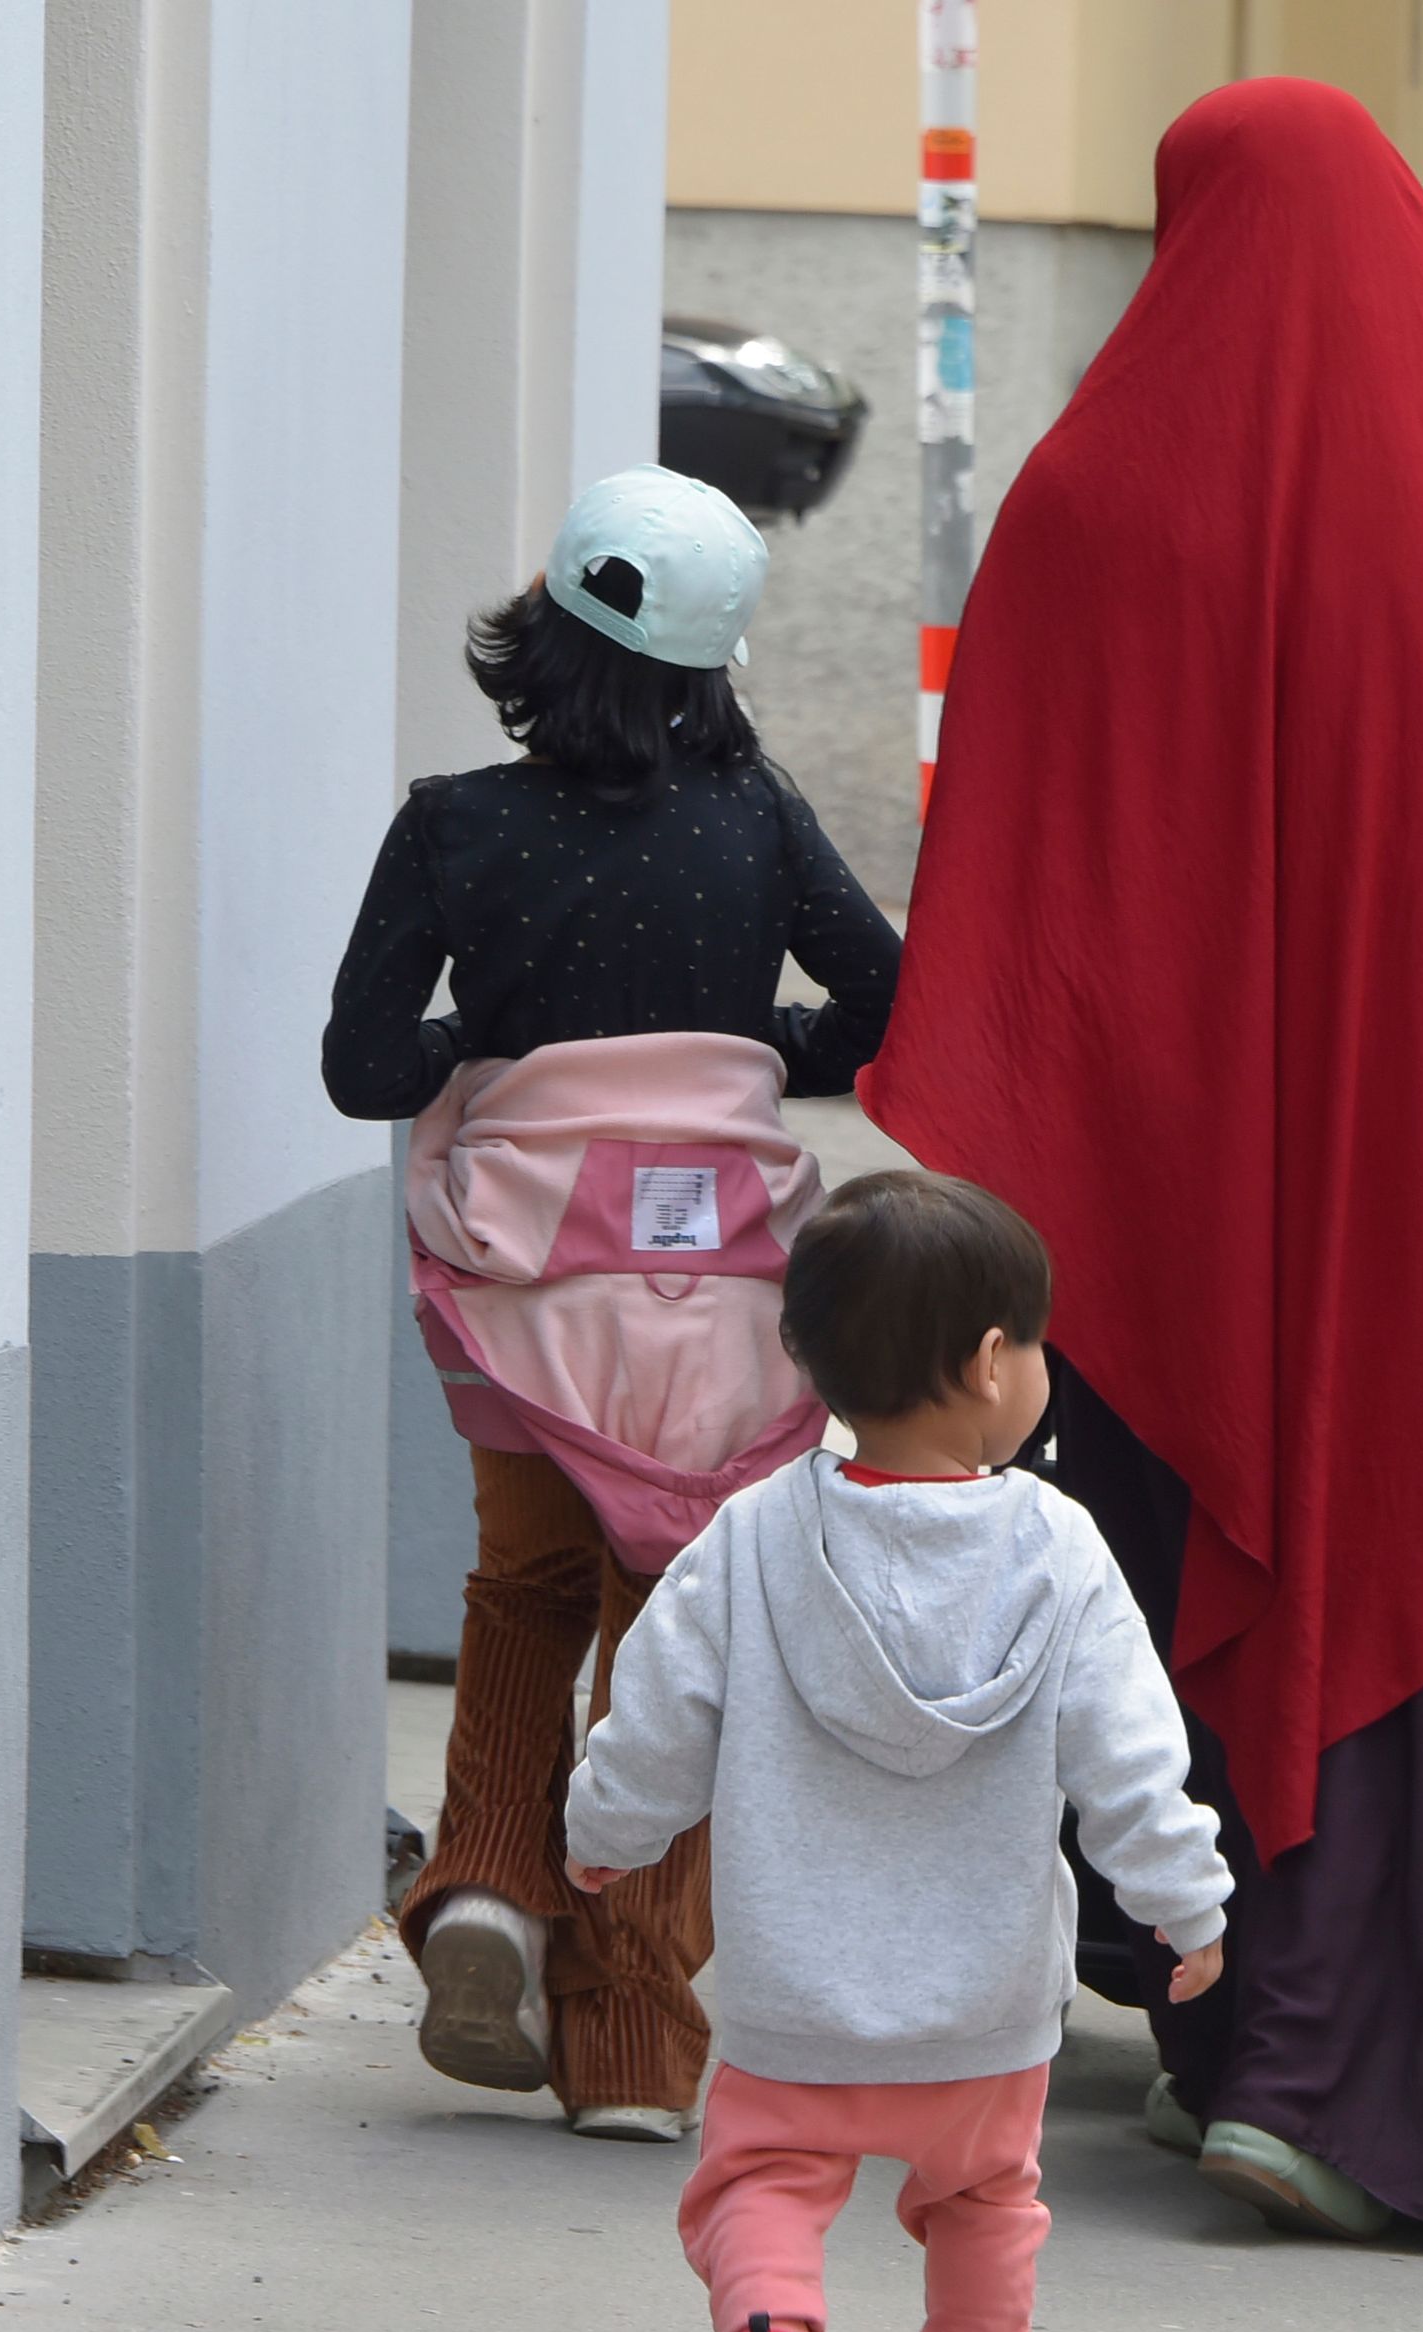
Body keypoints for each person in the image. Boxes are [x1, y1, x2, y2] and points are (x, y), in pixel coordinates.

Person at [855, 78, 1423, 2247]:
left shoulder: (1106, 495)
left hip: (1212, 1227)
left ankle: (1250, 2037)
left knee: (1204, 1556)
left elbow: (1042, 908)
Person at [321, 465, 901, 2136]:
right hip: (718, 1297)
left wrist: (500, 1053)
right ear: (716, 663)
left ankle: (490, 1881)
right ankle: (633, 2037)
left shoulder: (454, 823)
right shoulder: (758, 819)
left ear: (544, 626)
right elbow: (882, 1001)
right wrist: (755, 1044)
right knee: (681, 1623)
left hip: (529, 1290)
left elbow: (365, 1064)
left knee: (527, 1582)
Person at [559, 1172, 1232, 2332]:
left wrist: (605, 1840)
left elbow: (655, 1716)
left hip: (794, 1991)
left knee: (758, 2177)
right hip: (982, 2008)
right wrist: (1186, 1907)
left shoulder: (751, 1538)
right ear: (993, 1364)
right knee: (988, 2198)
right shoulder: (1059, 1549)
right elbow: (1129, 1760)